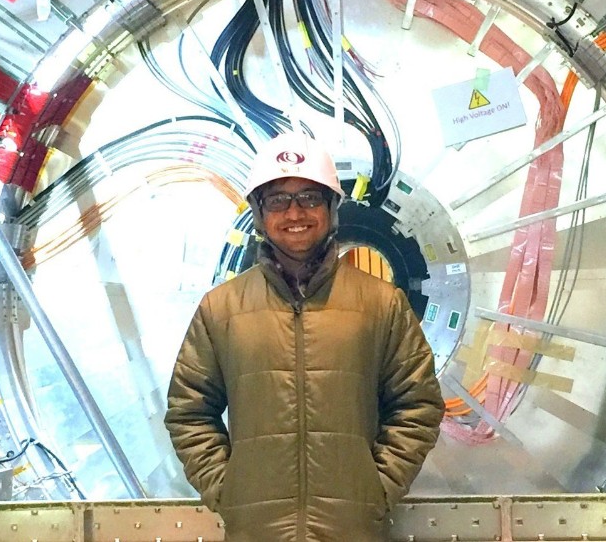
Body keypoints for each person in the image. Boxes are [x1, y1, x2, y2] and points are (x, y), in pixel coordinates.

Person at [164, 131, 444, 542]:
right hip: (256, 531)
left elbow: (417, 405)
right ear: (259, 214)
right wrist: (229, 490)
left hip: (352, 530)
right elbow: (189, 412)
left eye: (310, 198)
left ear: (332, 208)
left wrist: (375, 489)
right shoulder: (221, 309)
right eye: (277, 200)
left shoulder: (382, 304)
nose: (295, 212)